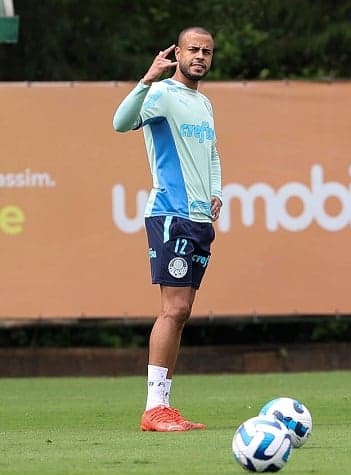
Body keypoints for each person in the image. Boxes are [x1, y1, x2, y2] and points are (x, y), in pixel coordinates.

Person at [112, 26, 222, 431]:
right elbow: (120, 123)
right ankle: (153, 408)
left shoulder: (204, 103)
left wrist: (217, 192)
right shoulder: (160, 94)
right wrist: (147, 78)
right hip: (170, 213)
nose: (200, 57)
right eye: (193, 49)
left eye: (207, 52)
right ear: (178, 52)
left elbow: (211, 153)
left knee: (183, 312)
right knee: (173, 309)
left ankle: (164, 406)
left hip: (198, 219)